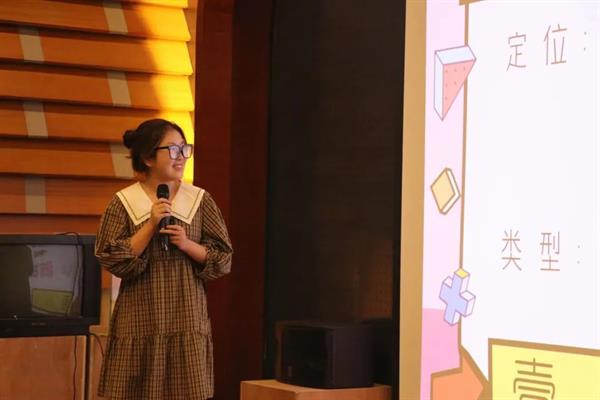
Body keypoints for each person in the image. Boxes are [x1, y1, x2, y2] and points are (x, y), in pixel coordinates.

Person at [95, 119, 232, 400]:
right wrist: (150, 225)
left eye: (184, 149)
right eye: (172, 149)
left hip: (186, 317)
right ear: (147, 157)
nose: (180, 157)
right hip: (139, 318)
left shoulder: (200, 200)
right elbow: (110, 257)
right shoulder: (123, 202)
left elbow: (223, 258)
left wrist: (187, 244)